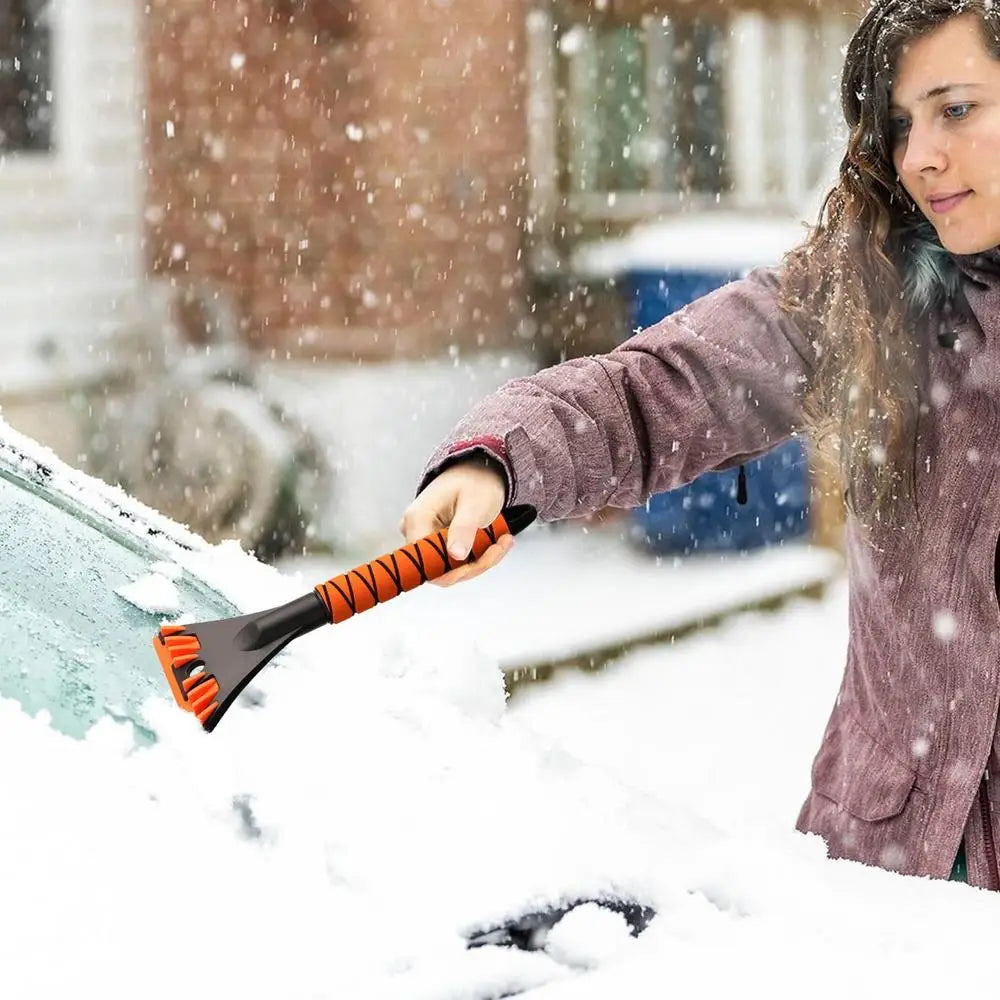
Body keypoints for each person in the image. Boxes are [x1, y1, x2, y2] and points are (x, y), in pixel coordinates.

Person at [399, 0, 1000, 890]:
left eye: (956, 109)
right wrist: (500, 458)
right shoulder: (872, 290)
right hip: (884, 871)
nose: (920, 157)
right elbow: (664, 386)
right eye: (900, 124)